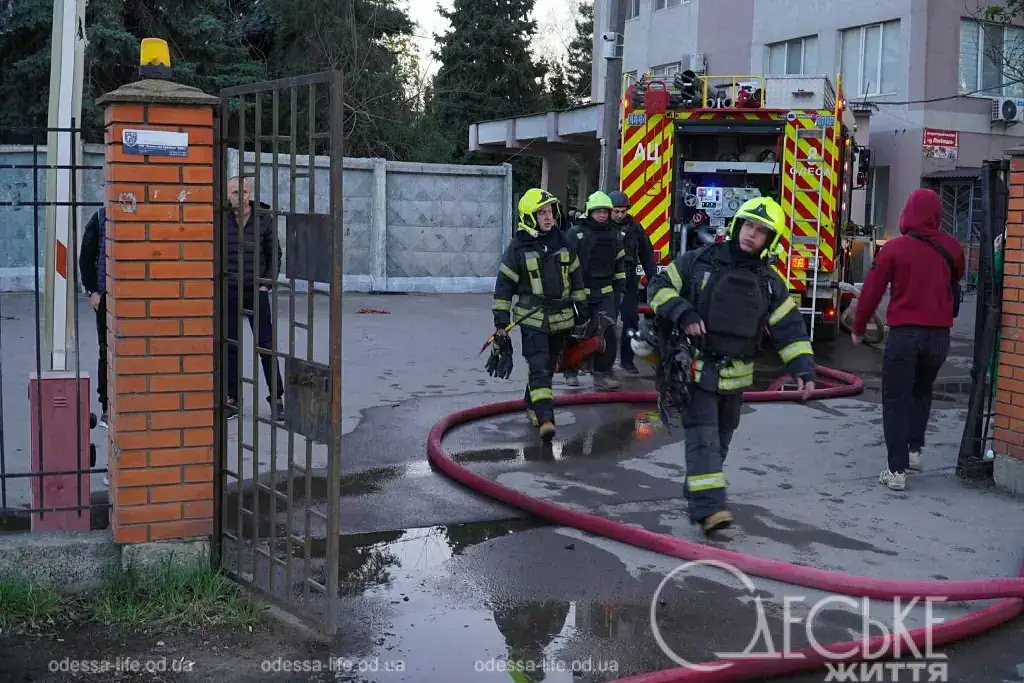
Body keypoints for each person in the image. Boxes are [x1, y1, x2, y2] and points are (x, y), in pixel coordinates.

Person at [648, 196, 815, 535]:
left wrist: (803, 367)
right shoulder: (698, 262)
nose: (752, 234)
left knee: (720, 442)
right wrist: (684, 312)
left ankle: (700, 492)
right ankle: (711, 510)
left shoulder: (769, 282)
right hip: (695, 370)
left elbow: (789, 327)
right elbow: (659, 286)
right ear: (738, 225)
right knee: (703, 439)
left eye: (761, 231)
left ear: (771, 240)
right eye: (749, 225)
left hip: (736, 379)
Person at [852, 188, 966, 491]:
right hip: (939, 337)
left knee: (896, 399)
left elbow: (872, 291)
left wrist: (859, 326)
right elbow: (958, 276)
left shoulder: (894, 249)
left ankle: (896, 469)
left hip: (905, 336)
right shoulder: (953, 247)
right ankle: (914, 452)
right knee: (922, 391)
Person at [492, 188, 587, 440]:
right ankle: (546, 418)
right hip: (532, 318)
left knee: (546, 366)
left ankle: (532, 403)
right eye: (542, 213)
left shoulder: (564, 242)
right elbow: (503, 288)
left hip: (562, 318)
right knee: (540, 366)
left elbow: (576, 278)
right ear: (530, 217)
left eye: (550, 212)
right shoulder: (517, 248)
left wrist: (583, 309)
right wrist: (501, 323)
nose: (549, 217)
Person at [224, 176, 285, 422]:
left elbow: (275, 254)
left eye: (245, 191)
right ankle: (232, 398)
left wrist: (266, 284)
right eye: (236, 192)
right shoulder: (221, 218)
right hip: (228, 289)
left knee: (265, 346)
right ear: (228, 195)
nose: (241, 196)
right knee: (230, 345)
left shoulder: (264, 218)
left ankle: (277, 398)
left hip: (255, 290)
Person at [565, 191, 627, 390]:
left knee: (608, 333)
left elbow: (619, 264)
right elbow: (565, 265)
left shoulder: (615, 235)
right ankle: (570, 370)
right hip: (579, 293)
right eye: (598, 211)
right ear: (589, 212)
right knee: (575, 332)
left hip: (605, 293)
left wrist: (620, 288)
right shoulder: (575, 234)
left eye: (605, 212)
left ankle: (602, 373)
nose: (602, 215)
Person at [609, 190, 657, 374]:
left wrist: (653, 279)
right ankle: (602, 365)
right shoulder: (603, 228)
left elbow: (647, 256)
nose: (620, 215)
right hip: (609, 282)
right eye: (616, 211)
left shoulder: (635, 229)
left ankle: (627, 361)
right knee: (606, 323)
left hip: (629, 281)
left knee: (631, 320)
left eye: (623, 211)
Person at [78, 208, 109, 428]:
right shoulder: (100, 217)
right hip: (107, 295)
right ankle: (107, 404)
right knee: (106, 351)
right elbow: (86, 256)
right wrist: (93, 291)